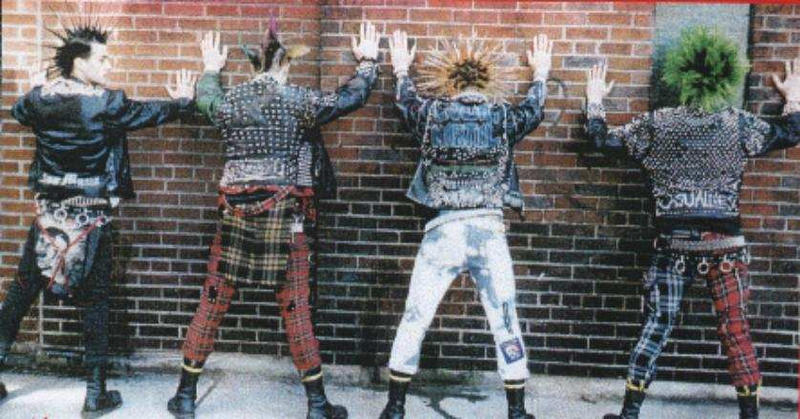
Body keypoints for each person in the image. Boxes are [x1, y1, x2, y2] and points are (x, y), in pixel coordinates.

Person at [166, 20, 380, 419]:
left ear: (253, 66)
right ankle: (317, 405)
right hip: (286, 217)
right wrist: (367, 64)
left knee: (212, 303)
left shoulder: (230, 102)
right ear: (285, 65)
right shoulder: (299, 100)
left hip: (234, 215)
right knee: (296, 310)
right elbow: (349, 98)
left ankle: (185, 396)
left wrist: (210, 69)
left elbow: (206, 99)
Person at [584, 27, 800, 419]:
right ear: (726, 77)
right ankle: (750, 415)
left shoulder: (657, 124)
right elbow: (790, 134)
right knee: (735, 329)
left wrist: (595, 101)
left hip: (673, 244)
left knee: (656, 326)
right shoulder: (738, 124)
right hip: (726, 246)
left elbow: (602, 141)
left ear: (680, 77)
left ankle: (629, 413)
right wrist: (794, 97)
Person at [4, 21, 195, 416]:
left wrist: (35, 87)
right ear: (80, 62)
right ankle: (95, 395)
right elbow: (149, 112)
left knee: (20, 294)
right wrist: (183, 101)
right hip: (92, 219)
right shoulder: (106, 104)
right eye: (103, 59)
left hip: (48, 219)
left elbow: (20, 110)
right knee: (96, 302)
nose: (110, 66)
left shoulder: (40, 99)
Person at [380, 30, 552, 419]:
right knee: (505, 319)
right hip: (488, 232)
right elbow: (533, 110)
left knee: (415, 316)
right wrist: (540, 73)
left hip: (442, 232)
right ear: (486, 82)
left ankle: (395, 407)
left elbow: (405, 102)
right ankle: (516, 411)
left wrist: (402, 70)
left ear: (451, 82)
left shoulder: (432, 115)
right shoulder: (502, 117)